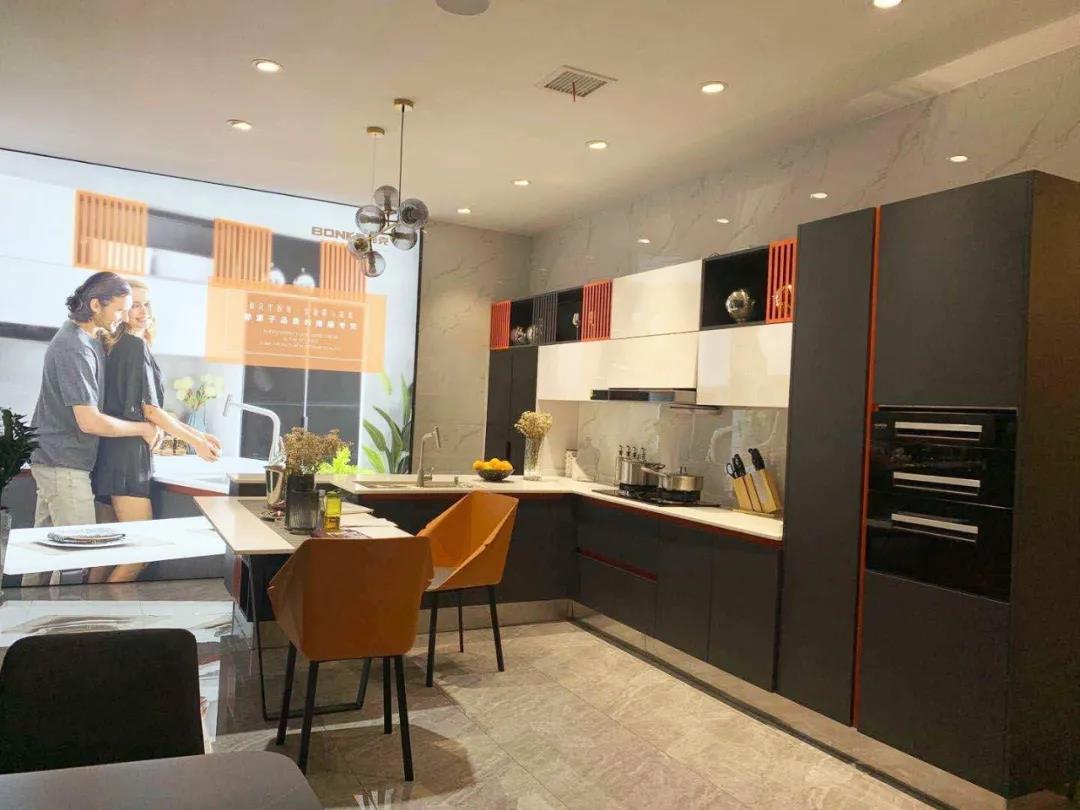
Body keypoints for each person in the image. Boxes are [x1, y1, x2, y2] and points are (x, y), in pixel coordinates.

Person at [29, 272, 160, 532]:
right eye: (120, 310)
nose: (124, 317)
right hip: (63, 463)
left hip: (58, 460)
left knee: (46, 550)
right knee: (80, 547)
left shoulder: (89, 341)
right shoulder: (74, 347)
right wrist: (144, 428)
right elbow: (89, 422)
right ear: (96, 305)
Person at [93, 278, 222, 528]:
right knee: (141, 545)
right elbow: (150, 411)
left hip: (110, 456)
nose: (143, 312)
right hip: (128, 459)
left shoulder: (115, 346)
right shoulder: (133, 345)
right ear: (121, 309)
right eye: (135, 305)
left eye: (147, 304)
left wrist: (200, 435)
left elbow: (151, 410)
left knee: (112, 545)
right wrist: (197, 442)